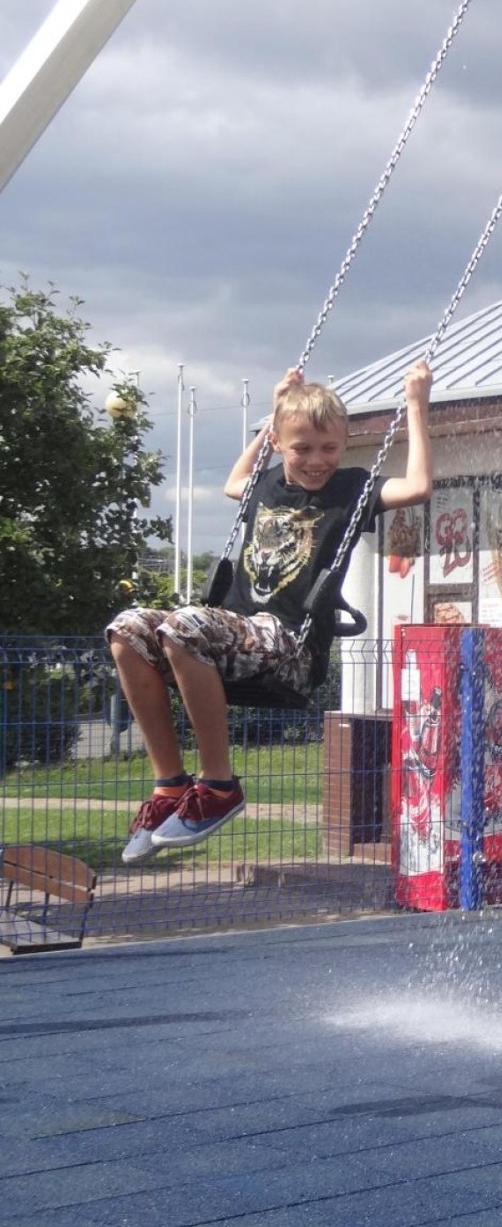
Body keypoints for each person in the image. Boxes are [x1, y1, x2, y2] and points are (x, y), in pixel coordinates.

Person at [107, 359, 432, 865]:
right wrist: (273, 411)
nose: (317, 460)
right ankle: (171, 785)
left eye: (330, 447)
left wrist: (415, 404)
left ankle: (218, 785)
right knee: (126, 630)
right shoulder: (265, 484)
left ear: (344, 445)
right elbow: (234, 481)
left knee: (184, 626)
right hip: (235, 633)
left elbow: (416, 487)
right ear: (279, 444)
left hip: (288, 645)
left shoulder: (351, 488)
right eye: (302, 448)